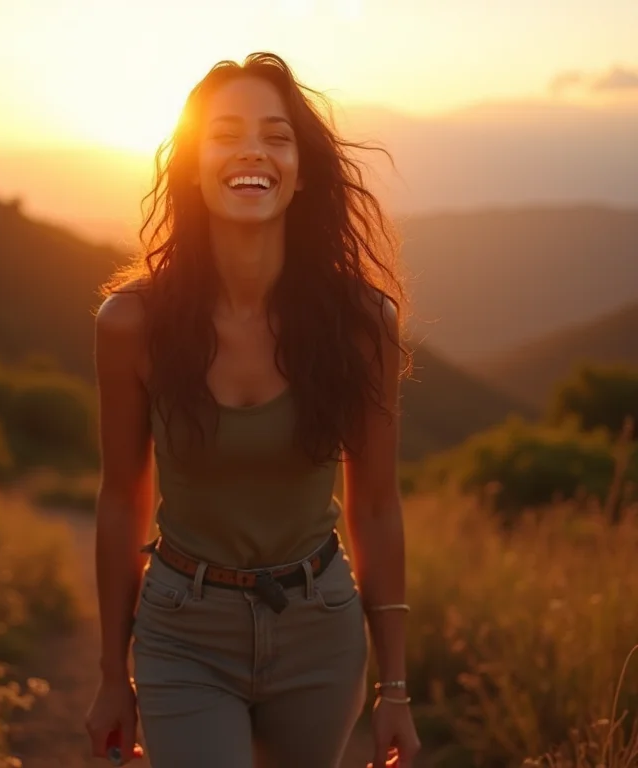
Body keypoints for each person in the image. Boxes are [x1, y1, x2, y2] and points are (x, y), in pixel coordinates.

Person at [84, 51, 421, 768]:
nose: (252, 151)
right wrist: (114, 675)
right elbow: (121, 500)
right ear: (195, 166)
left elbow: (378, 507)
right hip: (183, 627)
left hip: (320, 627)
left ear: (300, 171)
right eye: (226, 133)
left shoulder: (362, 323)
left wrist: (396, 688)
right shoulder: (131, 323)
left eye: (276, 136)